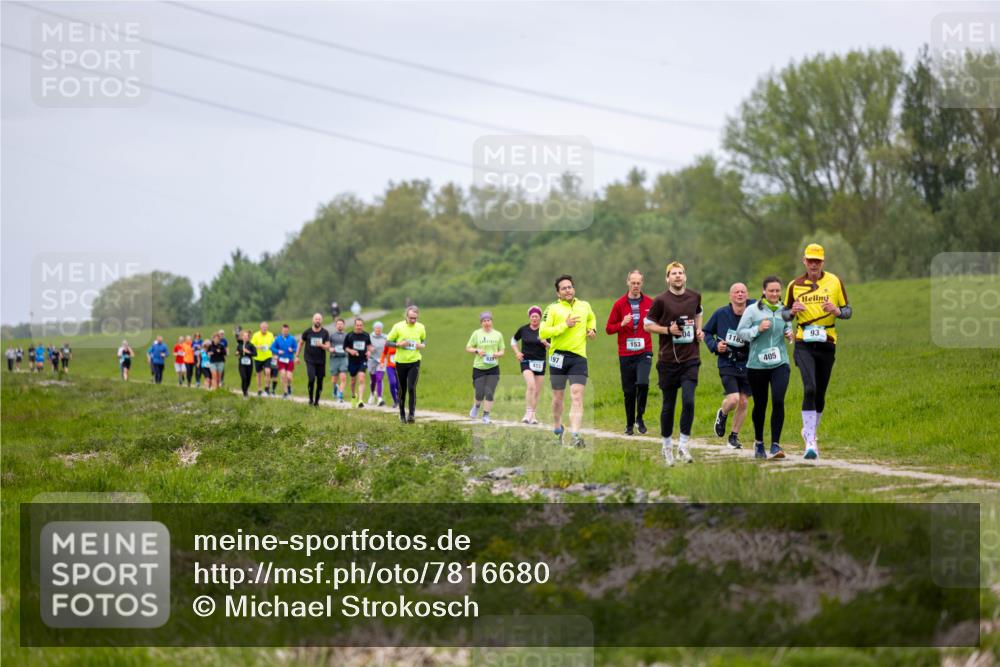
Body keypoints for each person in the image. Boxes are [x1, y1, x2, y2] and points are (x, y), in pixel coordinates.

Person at [783, 243, 853, 460]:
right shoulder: (794, 285)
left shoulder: (834, 282)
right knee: (810, 388)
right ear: (804, 261)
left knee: (820, 393)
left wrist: (837, 311)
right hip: (804, 342)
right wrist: (792, 311)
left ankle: (810, 430)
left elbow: (849, 311)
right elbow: (784, 313)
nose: (813, 264)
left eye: (817, 261)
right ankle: (810, 441)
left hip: (827, 341)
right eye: (810, 260)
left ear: (823, 262)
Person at [644, 262, 705, 466]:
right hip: (668, 359)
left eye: (681, 273)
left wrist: (698, 330)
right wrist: (668, 331)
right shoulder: (660, 300)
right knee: (668, 406)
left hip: (690, 358)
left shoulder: (694, 296)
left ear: (685, 277)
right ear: (667, 278)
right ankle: (667, 446)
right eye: (673, 274)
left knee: (688, 401)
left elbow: (698, 311)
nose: (678, 277)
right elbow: (647, 325)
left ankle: (683, 446)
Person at [738, 276, 795, 459]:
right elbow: (741, 332)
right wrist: (757, 329)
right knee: (760, 405)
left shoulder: (784, 310)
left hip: (780, 363)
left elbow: (787, 326)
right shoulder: (752, 310)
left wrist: (789, 333)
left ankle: (776, 445)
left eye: (778, 291)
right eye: (771, 290)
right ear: (764, 291)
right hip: (757, 365)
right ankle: (759, 443)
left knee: (778, 400)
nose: (775, 294)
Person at [540, 275, 597, 448]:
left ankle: (575, 435)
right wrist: (565, 325)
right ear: (558, 293)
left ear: (574, 289)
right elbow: (543, 333)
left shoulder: (584, 305)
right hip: (558, 357)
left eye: (570, 287)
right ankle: (558, 429)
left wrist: (592, 329)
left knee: (577, 395)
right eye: (564, 288)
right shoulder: (552, 309)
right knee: (558, 398)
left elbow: (591, 318)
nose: (568, 290)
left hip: (579, 357)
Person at [703, 283, 754, 450]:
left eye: (743, 292)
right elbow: (707, 332)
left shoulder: (754, 310)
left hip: (748, 362)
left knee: (744, 402)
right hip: (727, 361)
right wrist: (715, 346)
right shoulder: (721, 314)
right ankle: (723, 413)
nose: (740, 295)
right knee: (734, 399)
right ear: (730, 296)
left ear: (747, 295)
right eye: (736, 292)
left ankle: (733, 437)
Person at [605, 270, 654, 436]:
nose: (636, 286)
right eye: (633, 283)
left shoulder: (649, 302)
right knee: (628, 391)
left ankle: (640, 417)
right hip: (625, 353)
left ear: (642, 283)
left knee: (643, 383)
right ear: (627, 283)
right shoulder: (619, 304)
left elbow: (658, 322)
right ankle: (629, 424)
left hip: (644, 351)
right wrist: (622, 324)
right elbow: (609, 329)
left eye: (638, 283)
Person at [386, 305, 426, 423]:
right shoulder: (398, 327)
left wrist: (422, 345)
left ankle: (411, 415)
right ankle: (402, 414)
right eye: (411, 318)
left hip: (415, 361)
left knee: (412, 388)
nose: (413, 320)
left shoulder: (421, 327)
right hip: (400, 362)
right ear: (406, 316)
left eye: (415, 318)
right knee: (402, 389)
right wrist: (399, 345)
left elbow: (423, 340)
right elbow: (388, 342)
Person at [511, 306, 549, 424]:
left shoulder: (545, 330)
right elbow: (513, 340)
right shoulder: (523, 329)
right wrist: (517, 352)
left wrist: (546, 343)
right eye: (532, 316)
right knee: (531, 386)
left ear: (540, 318)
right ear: (529, 317)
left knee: (537, 390)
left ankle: (533, 415)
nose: (534, 318)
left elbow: (553, 346)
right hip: (526, 361)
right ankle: (527, 413)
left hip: (540, 362)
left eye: (536, 316)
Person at [466, 312, 505, 424]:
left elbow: (502, 351)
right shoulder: (476, 334)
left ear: (491, 321)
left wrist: (498, 354)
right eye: (484, 321)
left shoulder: (498, 335)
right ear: (481, 323)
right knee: (479, 393)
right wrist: (477, 351)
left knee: (489, 392)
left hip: (493, 367)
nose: (486, 323)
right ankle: (477, 406)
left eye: (488, 320)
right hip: (479, 367)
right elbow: (468, 347)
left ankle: (486, 416)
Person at [297, 313, 331, 406]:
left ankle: (316, 402)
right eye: (316, 319)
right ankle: (311, 399)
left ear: (321, 321)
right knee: (311, 379)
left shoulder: (325, 333)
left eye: (319, 319)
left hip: (320, 361)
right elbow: (300, 343)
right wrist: (296, 356)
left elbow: (328, 346)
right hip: (310, 359)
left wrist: (322, 345)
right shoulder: (307, 332)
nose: (317, 321)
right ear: (313, 320)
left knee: (320, 382)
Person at [345, 317, 373, 408]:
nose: (359, 327)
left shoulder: (366, 335)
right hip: (352, 361)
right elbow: (345, 347)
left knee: (361, 377)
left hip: (362, 360)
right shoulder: (349, 335)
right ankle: (353, 396)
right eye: (357, 325)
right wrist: (351, 351)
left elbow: (369, 345)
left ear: (363, 326)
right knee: (353, 380)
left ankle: (360, 400)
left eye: (361, 325)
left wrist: (369, 351)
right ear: (354, 325)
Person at [270, 324, 298, 398]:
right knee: (282, 375)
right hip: (281, 360)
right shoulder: (278, 339)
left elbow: (297, 348)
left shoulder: (292, 338)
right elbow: (272, 347)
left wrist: (292, 350)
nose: (285, 332)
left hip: (290, 360)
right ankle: (285, 393)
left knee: (289, 377)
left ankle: (289, 387)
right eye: (284, 331)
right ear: (281, 331)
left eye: (286, 331)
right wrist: (278, 351)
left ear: (288, 331)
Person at [250, 322, 274, 396]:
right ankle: (259, 389)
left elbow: (274, 344)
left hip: (268, 356)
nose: (264, 329)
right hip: (258, 357)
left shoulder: (270, 335)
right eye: (263, 327)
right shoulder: (256, 335)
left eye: (265, 327)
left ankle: (267, 388)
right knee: (259, 374)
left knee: (268, 372)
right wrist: (258, 347)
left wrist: (270, 347)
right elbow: (251, 345)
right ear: (260, 328)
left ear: (267, 328)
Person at [367, 321, 388, 406]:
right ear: (374, 328)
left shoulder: (385, 337)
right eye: (376, 328)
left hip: (382, 360)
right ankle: (372, 394)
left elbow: (388, 347)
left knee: (379, 378)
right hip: (372, 360)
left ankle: (380, 398)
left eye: (379, 328)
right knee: (373, 380)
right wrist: (369, 349)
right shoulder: (369, 337)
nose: (378, 330)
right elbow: (366, 346)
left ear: (382, 329)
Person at [329, 318, 349, 401]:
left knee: (343, 378)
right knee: (334, 380)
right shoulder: (332, 336)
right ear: (336, 325)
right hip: (334, 358)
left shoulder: (347, 336)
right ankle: (335, 389)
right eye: (338, 324)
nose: (340, 325)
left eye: (341, 324)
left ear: (344, 325)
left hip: (344, 358)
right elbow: (328, 346)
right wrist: (330, 349)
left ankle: (340, 395)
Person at [379, 335, 400, 408]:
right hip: (390, 366)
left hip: (399, 367)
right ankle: (395, 401)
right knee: (392, 382)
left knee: (398, 385)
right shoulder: (388, 343)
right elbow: (384, 353)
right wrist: (382, 362)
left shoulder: (400, 343)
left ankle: (399, 399)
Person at [235, 330, 257, 398]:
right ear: (242, 337)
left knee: (248, 379)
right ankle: (245, 393)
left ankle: (246, 389)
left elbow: (255, 354)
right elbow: (237, 352)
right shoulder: (240, 345)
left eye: (246, 336)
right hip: (242, 364)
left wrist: (248, 352)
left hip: (249, 365)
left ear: (248, 337)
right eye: (244, 336)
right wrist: (237, 353)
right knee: (244, 378)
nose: (245, 337)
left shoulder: (251, 345)